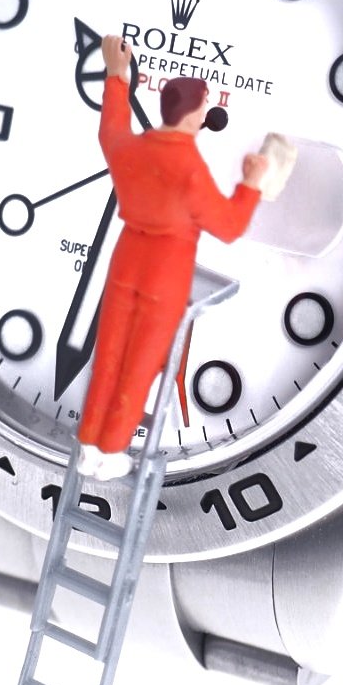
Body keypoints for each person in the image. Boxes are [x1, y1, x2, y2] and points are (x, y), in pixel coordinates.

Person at [76, 35, 268, 480]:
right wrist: (251, 184)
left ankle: (88, 444)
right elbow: (229, 226)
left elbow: (110, 131)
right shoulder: (189, 168)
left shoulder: (133, 149)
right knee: (141, 362)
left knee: (109, 353)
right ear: (196, 114)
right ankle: (111, 449)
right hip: (165, 273)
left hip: (126, 259)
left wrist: (116, 76)